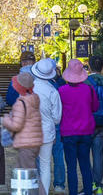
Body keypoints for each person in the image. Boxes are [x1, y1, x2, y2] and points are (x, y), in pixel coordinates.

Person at [58, 59, 98, 195]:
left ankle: (73, 192)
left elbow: (58, 110)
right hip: (86, 131)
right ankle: (88, 192)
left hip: (68, 132)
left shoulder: (61, 91)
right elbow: (95, 107)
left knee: (71, 167)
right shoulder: (89, 89)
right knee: (85, 164)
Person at [32, 58, 62, 195]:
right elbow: (57, 118)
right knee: (45, 166)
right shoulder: (53, 92)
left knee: (31, 165)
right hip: (47, 132)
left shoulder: (29, 90)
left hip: (31, 132)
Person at [2, 72, 43, 172]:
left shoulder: (21, 103)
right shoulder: (34, 98)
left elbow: (16, 126)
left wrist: (6, 120)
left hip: (26, 142)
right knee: (22, 171)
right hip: (34, 140)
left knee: (29, 174)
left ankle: (39, 184)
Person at [85, 55, 103, 195]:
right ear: (102, 66)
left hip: (88, 122)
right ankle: (98, 186)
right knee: (98, 155)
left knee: (84, 155)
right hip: (102, 122)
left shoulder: (85, 82)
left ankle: (90, 183)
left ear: (89, 66)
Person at [48, 63, 68, 194]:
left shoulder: (38, 86)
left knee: (42, 158)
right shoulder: (61, 84)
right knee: (58, 155)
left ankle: (41, 182)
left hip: (44, 124)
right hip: (57, 123)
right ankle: (59, 184)